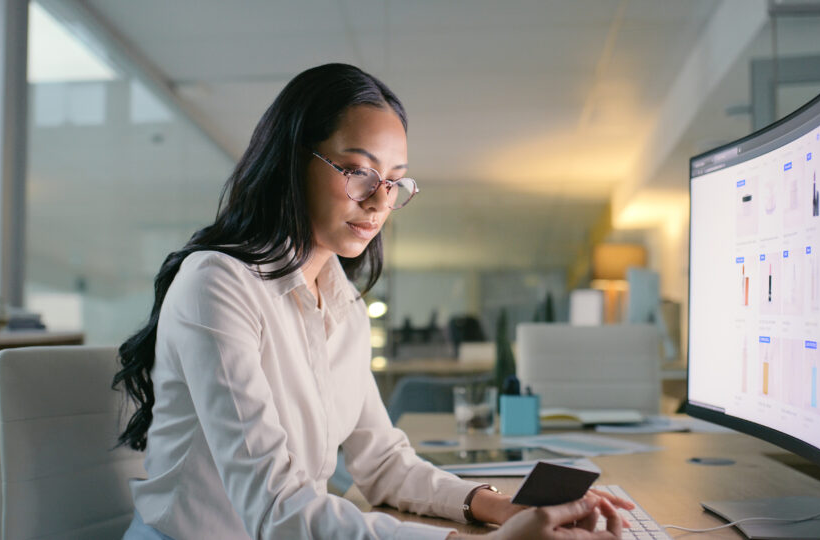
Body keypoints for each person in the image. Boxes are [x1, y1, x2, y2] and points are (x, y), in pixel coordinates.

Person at [114, 63, 631, 539]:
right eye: (358, 171)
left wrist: (499, 506)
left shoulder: (344, 306)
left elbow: (383, 463)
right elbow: (276, 509)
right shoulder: (217, 284)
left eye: (393, 180)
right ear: (292, 161)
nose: (381, 200)